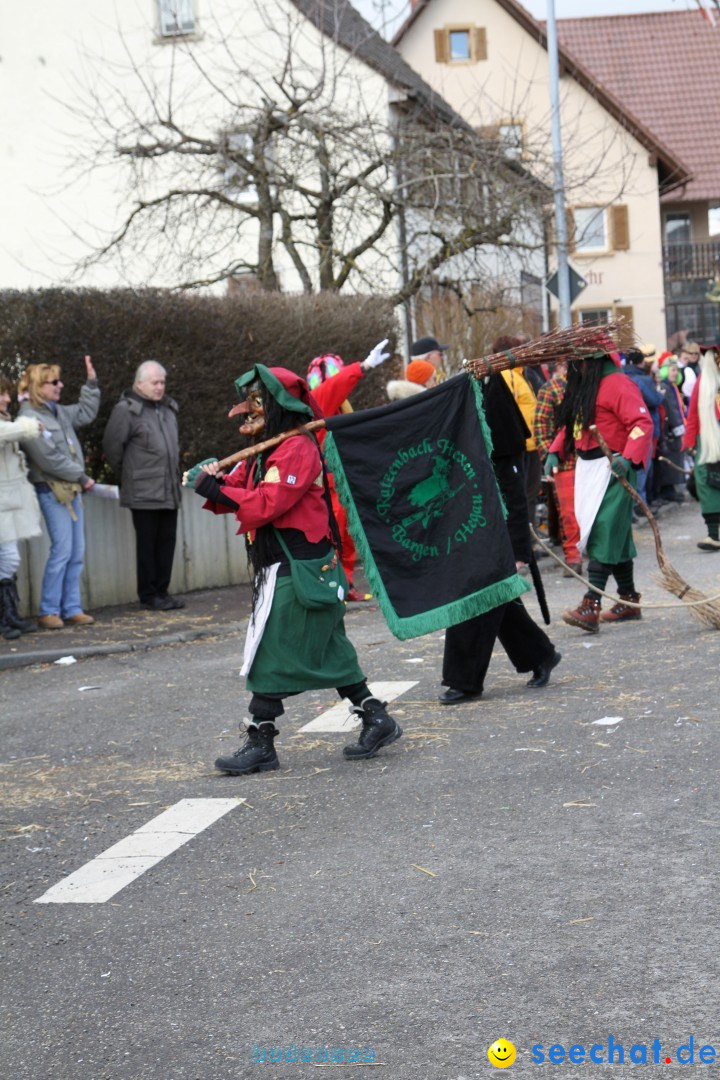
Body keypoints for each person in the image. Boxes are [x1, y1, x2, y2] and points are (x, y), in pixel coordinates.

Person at [187, 364, 403, 774]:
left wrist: (220, 489)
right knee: (331, 650)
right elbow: (240, 489)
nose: (249, 411)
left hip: (301, 565)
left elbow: (270, 501)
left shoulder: (297, 448)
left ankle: (261, 741)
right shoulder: (267, 448)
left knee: (269, 649)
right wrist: (211, 478)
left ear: (278, 405)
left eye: (257, 402)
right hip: (283, 565)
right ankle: (376, 717)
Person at [439, 367, 561, 705]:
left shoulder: (505, 446)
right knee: (496, 599)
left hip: (498, 533)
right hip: (479, 528)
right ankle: (540, 655)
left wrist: (520, 548)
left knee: (476, 594)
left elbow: (515, 497)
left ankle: (465, 680)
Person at [547, 350, 653, 631]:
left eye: (577, 361)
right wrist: (555, 450)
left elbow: (642, 423)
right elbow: (573, 423)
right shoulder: (586, 384)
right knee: (614, 535)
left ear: (591, 360)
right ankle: (628, 601)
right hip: (587, 468)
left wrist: (628, 457)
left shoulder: (618, 383)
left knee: (603, 530)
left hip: (614, 468)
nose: (574, 367)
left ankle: (590, 604)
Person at [305, 340, 391, 601]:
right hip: (326, 482)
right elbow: (336, 386)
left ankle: (345, 583)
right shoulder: (318, 401)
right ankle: (337, 585)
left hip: (340, 479)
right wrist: (362, 366)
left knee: (347, 535)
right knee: (335, 537)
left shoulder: (336, 404)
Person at [18, 357, 99, 629]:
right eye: (54, 382)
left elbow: (86, 412)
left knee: (77, 551)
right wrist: (81, 476)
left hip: (71, 491)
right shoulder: (28, 419)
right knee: (62, 550)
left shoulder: (57, 412)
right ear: (39, 386)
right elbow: (48, 459)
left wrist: (91, 383)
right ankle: (48, 610)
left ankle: (71, 607)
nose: (60, 386)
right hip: (52, 491)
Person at [103, 360, 184, 611]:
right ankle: (149, 594)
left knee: (166, 543)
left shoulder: (168, 410)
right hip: (143, 491)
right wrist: (130, 476)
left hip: (168, 490)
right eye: (154, 382)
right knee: (147, 545)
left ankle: (162, 591)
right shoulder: (126, 411)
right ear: (139, 383)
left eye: (162, 382)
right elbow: (112, 447)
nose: (160, 387)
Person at [0, 375, 43, 639]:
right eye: (2, 394)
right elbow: (9, 432)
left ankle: (9, 615)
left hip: (7, 505)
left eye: (7, 393)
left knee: (9, 558)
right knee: (9, 558)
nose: (6, 399)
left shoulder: (6, 421)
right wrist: (30, 426)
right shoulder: (7, 426)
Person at [534, 362, 582, 575]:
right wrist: (548, 457)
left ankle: (595, 554)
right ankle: (573, 557)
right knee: (569, 513)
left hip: (591, 458)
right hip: (564, 461)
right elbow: (541, 426)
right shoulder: (551, 389)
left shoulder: (589, 386)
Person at [682, 347, 720, 551]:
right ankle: (713, 535)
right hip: (707, 443)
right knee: (707, 486)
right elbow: (693, 415)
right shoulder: (702, 383)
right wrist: (689, 444)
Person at [655, 356, 687, 504]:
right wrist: (679, 426)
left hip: (674, 428)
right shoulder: (666, 387)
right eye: (672, 370)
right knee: (671, 459)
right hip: (670, 430)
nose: (675, 373)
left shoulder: (672, 386)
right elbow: (672, 410)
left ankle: (671, 488)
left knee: (675, 458)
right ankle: (667, 490)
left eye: (676, 370)